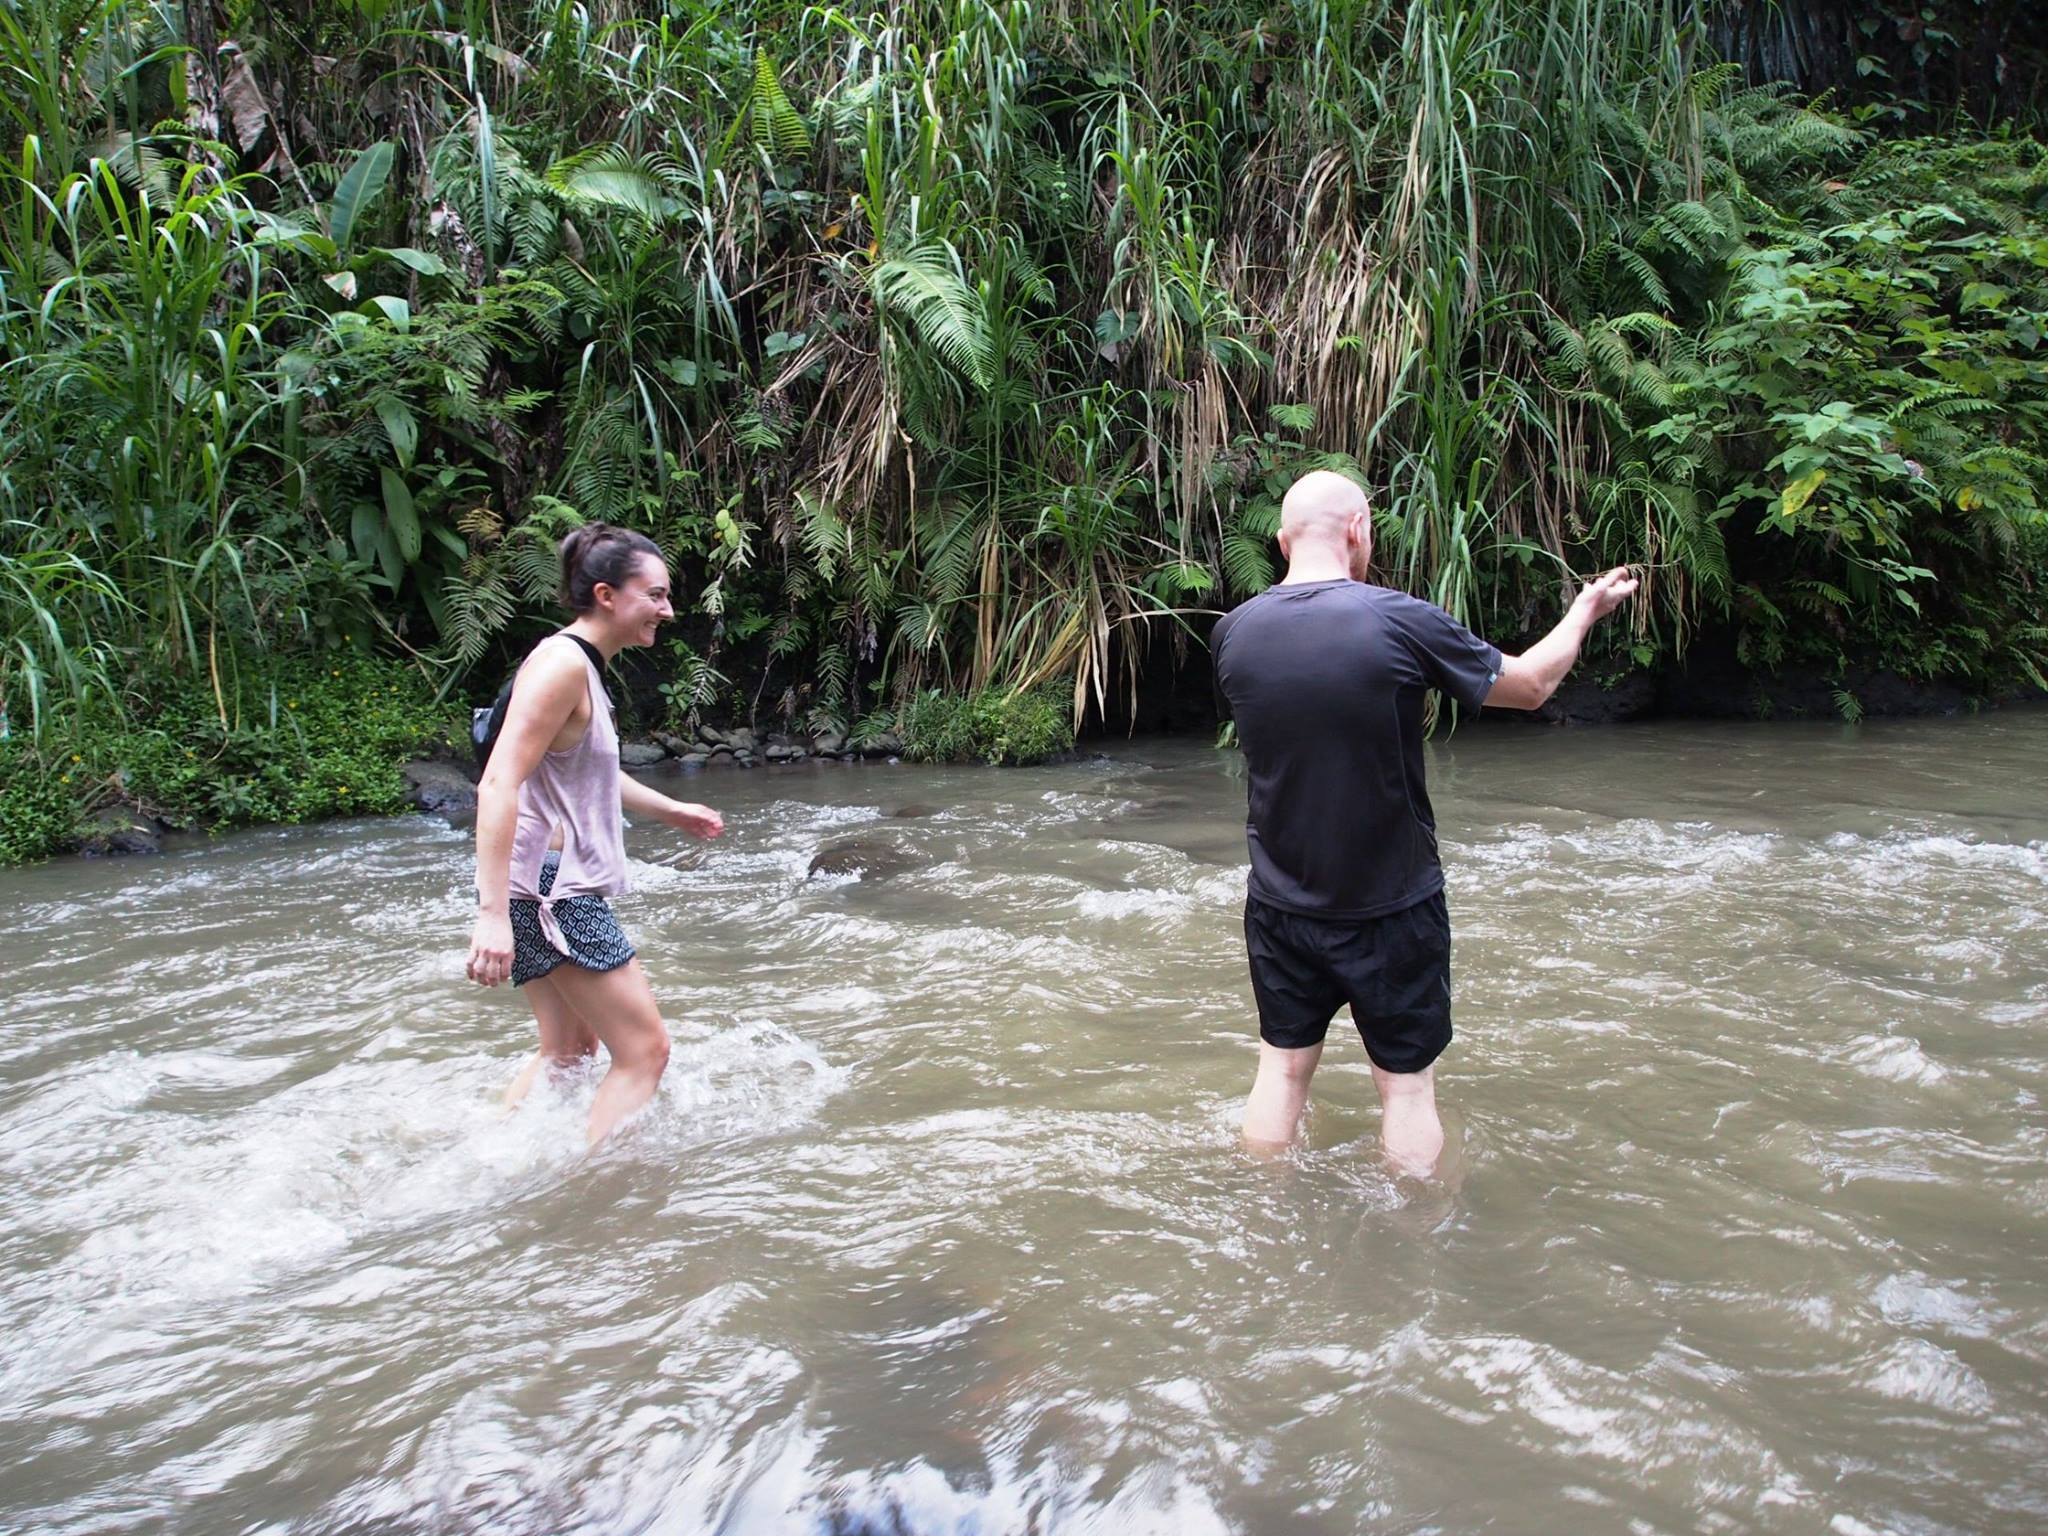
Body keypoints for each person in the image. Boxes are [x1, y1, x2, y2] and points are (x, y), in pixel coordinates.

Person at [1210, 471, 1637, 1175]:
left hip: (1281, 906)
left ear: (1282, 542)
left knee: (1281, 1074)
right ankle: (1411, 1248)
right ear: (1358, 532)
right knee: (1406, 1090)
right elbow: (1530, 686)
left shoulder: (1233, 635)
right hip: (1392, 905)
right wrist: (1585, 611)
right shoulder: (1397, 618)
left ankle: (1263, 1217)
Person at [465, 524, 724, 1148]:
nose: (667, 609)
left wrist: (670, 809)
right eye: (655, 595)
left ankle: (492, 1155)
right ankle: (590, 1192)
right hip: (554, 891)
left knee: (567, 1050)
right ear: (606, 595)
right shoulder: (561, 666)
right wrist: (491, 914)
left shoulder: (578, 666)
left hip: (540, 885)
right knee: (646, 1051)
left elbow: (588, 776)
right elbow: (497, 783)